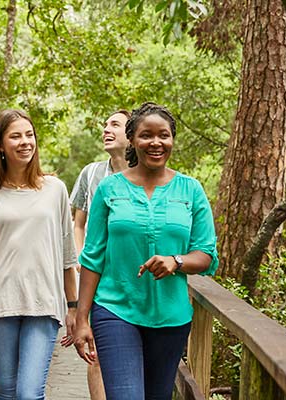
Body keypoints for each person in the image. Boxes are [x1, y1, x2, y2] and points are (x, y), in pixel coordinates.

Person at [73, 102, 219, 399]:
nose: (155, 142)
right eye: (146, 135)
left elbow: (206, 255)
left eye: (163, 135)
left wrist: (176, 261)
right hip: (115, 309)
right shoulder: (109, 189)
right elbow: (93, 256)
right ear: (133, 140)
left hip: (171, 317)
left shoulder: (191, 190)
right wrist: (81, 318)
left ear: (172, 140)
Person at [0, 109, 78, 400]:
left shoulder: (55, 189)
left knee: (28, 394)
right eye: (15, 136)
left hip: (43, 304)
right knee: (7, 393)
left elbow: (66, 253)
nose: (25, 142)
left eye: (29, 135)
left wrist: (73, 307)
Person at [68, 109, 130, 400]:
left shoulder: (145, 173)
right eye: (105, 124)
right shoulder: (91, 173)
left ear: (131, 135)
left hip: (131, 277)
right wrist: (81, 257)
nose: (107, 129)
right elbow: (77, 224)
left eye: (115, 125)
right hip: (95, 276)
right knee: (97, 350)